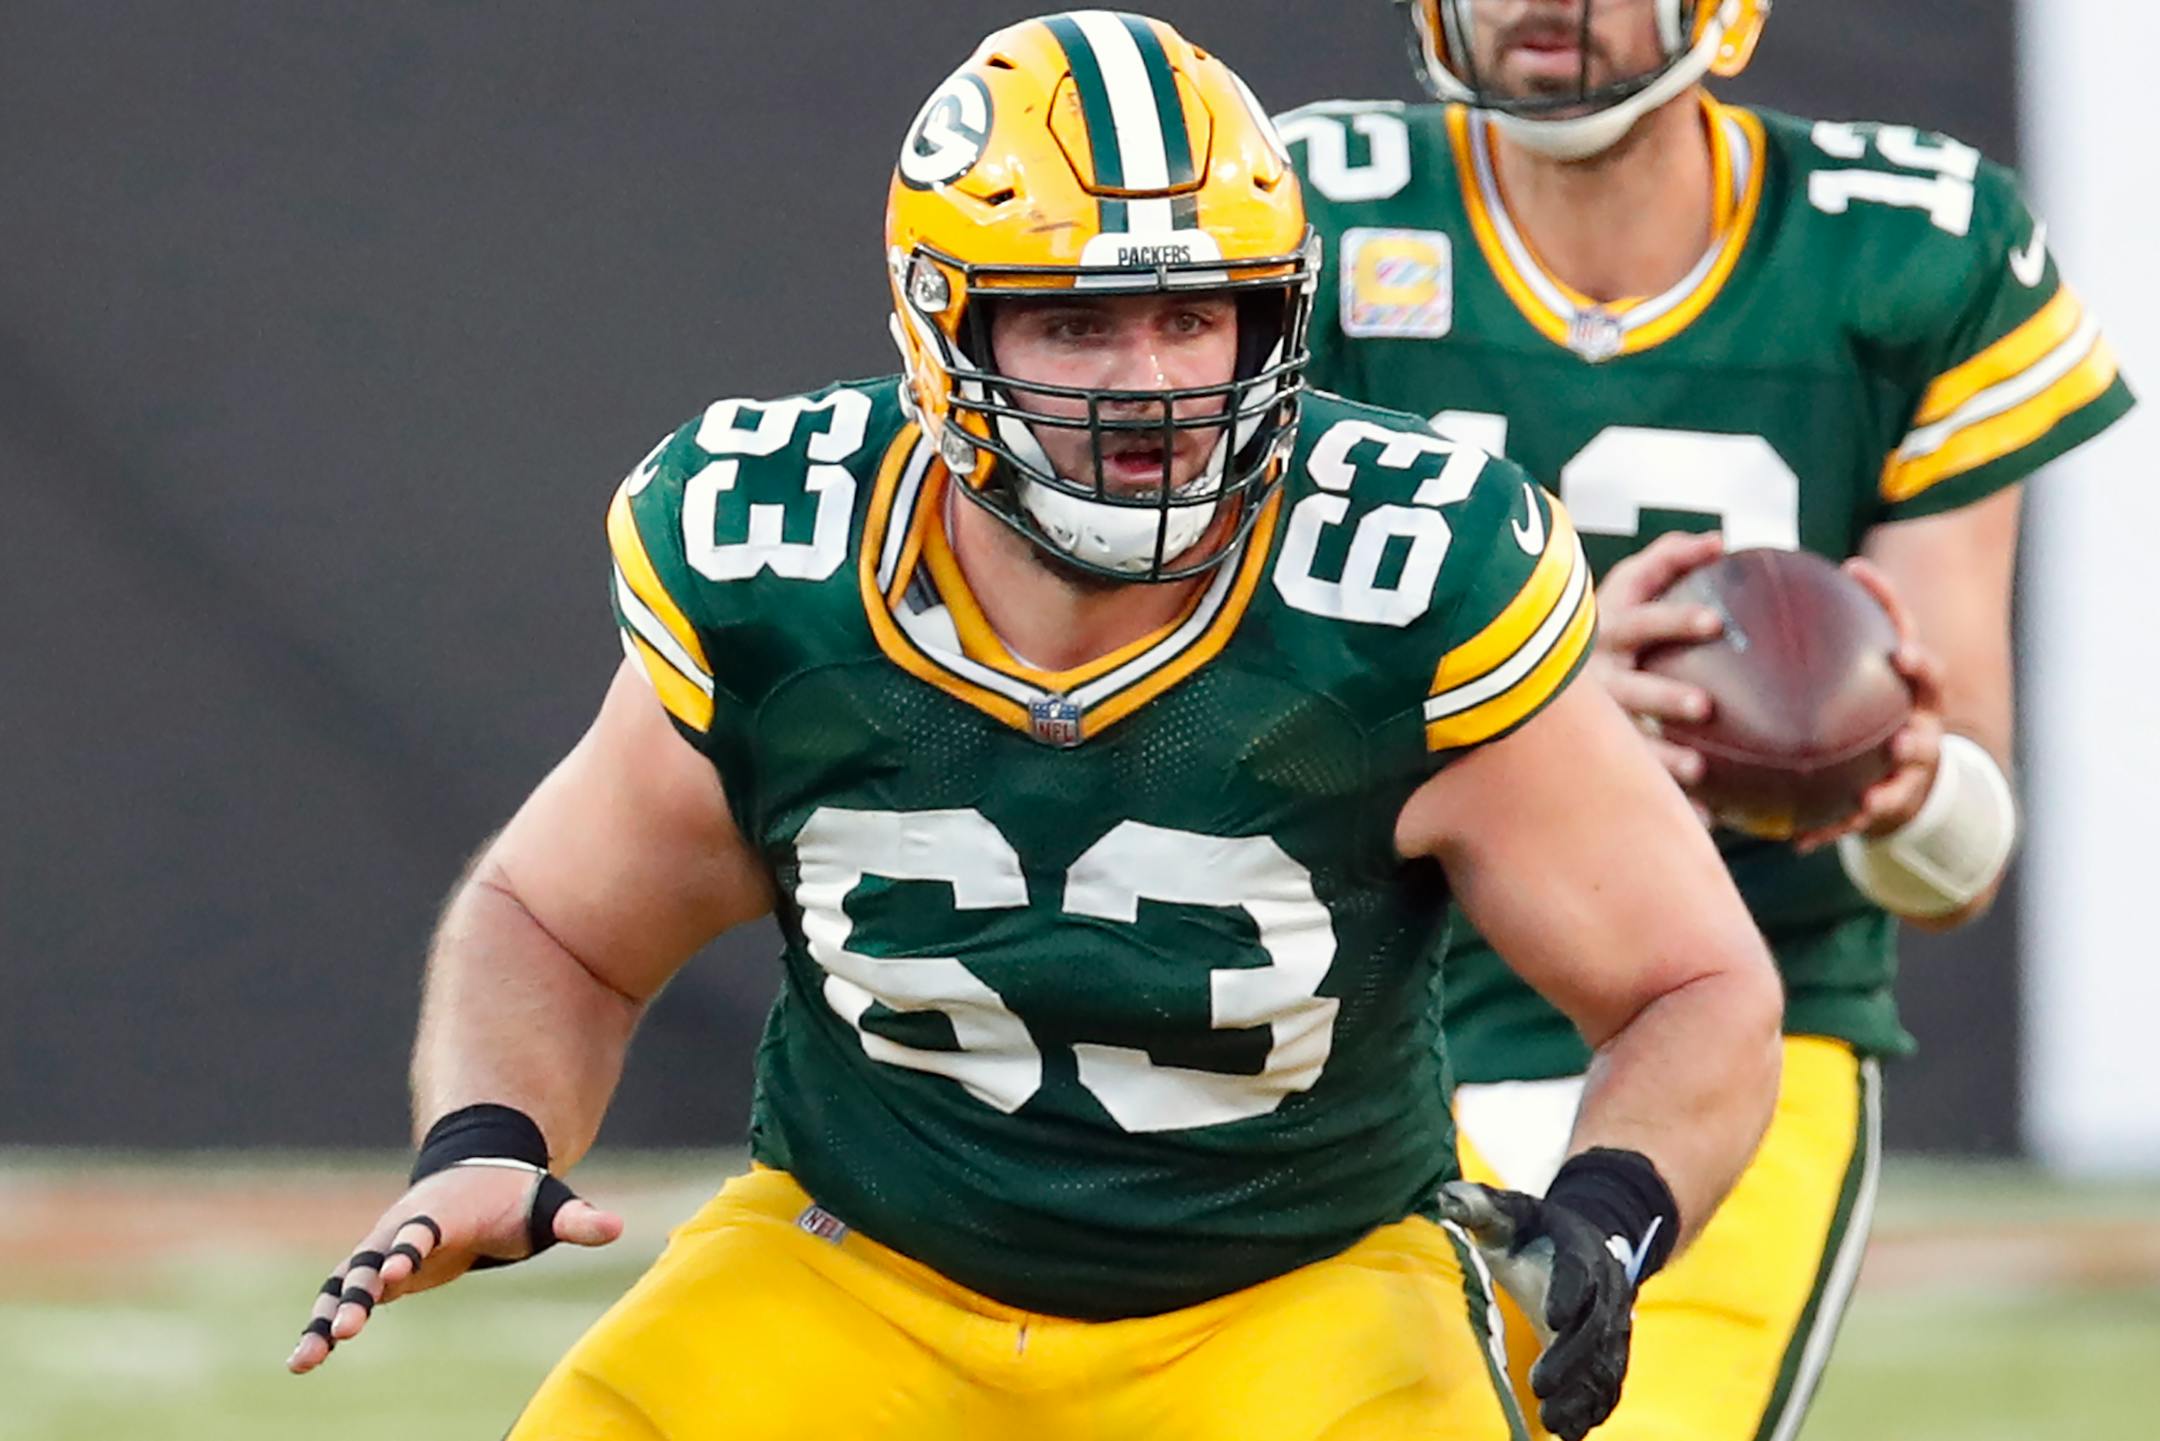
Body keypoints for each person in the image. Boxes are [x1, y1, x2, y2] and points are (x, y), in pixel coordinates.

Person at [286, 14, 1781, 1440]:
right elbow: (558, 924)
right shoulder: (782, 562)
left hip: (1298, 1294)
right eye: (1078, 323)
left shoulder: (1400, 582)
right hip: (860, 1269)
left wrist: (1609, 1215)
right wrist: (487, 1135)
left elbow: (1690, 983)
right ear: (942, 326)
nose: (1152, 387)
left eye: (1194, 315)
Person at [1279, 2, 2136, 1438]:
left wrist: (1896, 776)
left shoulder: (1908, 246)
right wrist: (1532, 711)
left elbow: (1958, 859)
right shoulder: (1308, 215)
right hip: (1363, 1003)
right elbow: (1209, 717)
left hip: (1741, 1015)